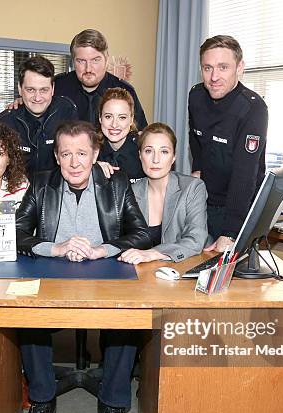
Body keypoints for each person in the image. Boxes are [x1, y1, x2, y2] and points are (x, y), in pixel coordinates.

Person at [15, 120, 150, 413]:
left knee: (127, 318)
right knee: (26, 314)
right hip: (50, 271)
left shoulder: (115, 183)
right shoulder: (40, 184)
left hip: (104, 271)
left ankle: (113, 406)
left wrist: (102, 249)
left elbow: (142, 232)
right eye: (66, 154)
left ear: (95, 154)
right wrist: (55, 248)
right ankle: (42, 400)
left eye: (81, 153)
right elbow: (17, 232)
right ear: (56, 157)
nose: (74, 163)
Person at [188, 35, 268, 253]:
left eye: (223, 67)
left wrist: (230, 232)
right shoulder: (196, 96)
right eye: (207, 68)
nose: (214, 76)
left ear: (239, 67)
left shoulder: (253, 108)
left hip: (238, 207)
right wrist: (198, 171)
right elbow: (196, 140)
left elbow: (245, 176)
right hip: (205, 202)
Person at [119, 123, 208, 264]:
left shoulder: (192, 188)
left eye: (164, 151)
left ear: (173, 157)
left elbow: (196, 240)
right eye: (148, 151)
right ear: (140, 156)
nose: (156, 159)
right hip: (139, 275)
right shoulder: (129, 192)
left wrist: (152, 254)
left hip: (179, 272)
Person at [0, 56, 78, 178]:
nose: (37, 97)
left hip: (57, 191)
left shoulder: (67, 112)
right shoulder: (5, 122)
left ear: (53, 89)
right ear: (20, 88)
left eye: (44, 90)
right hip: (19, 192)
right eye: (30, 90)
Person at [55, 29, 148, 128]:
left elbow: (140, 135)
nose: (88, 69)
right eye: (81, 61)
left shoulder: (125, 91)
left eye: (95, 60)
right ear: (73, 61)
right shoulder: (58, 87)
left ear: (106, 60)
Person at [97, 87, 144, 182]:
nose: (114, 124)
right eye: (108, 116)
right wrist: (93, 169)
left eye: (122, 117)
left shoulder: (144, 150)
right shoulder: (90, 150)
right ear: (100, 118)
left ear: (131, 120)